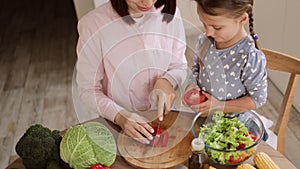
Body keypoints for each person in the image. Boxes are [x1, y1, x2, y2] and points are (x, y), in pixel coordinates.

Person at [75, 0, 187, 145]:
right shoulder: (93, 24)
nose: (147, 3)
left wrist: (166, 81)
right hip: (117, 121)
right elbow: (88, 90)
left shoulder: (170, 13)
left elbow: (179, 65)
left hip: (163, 116)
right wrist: (121, 116)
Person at [184, 0, 268, 115]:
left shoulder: (249, 56)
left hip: (234, 127)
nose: (208, 32)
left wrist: (219, 106)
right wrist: (191, 86)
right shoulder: (204, 41)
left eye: (217, 27)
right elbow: (196, 69)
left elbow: (257, 99)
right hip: (204, 120)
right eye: (203, 23)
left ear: (242, 19)